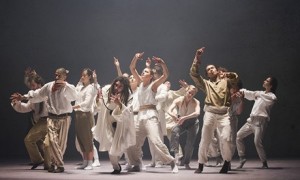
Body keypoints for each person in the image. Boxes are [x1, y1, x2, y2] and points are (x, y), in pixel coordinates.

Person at [13, 68, 78, 173]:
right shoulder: (49, 86)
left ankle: (53, 163)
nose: (57, 77)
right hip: (51, 118)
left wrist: (65, 85)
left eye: (59, 76)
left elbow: (74, 96)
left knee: (60, 144)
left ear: (64, 77)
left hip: (64, 118)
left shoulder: (69, 87)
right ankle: (59, 165)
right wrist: (23, 97)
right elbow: (37, 94)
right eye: (56, 75)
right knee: (52, 141)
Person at [126, 52, 178, 173]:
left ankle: (172, 162)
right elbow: (131, 68)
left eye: (146, 72)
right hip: (140, 116)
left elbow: (166, 75)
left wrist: (163, 63)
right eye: (143, 71)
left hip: (150, 116)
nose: (143, 72)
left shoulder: (153, 86)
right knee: (132, 143)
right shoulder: (139, 83)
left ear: (150, 76)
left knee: (156, 141)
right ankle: (136, 163)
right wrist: (136, 57)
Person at [190, 47, 239, 174]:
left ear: (217, 70)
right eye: (208, 70)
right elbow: (194, 74)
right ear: (207, 74)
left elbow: (235, 78)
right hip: (210, 113)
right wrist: (197, 58)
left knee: (226, 139)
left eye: (212, 68)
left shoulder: (226, 81)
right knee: (205, 139)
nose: (210, 70)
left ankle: (227, 162)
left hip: (224, 114)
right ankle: (201, 164)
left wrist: (226, 74)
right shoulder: (206, 84)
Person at [93, 76, 136, 174]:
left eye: (120, 86)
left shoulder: (128, 95)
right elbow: (100, 105)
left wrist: (120, 104)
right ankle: (116, 167)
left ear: (124, 87)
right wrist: (97, 99)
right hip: (108, 122)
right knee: (110, 146)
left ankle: (117, 164)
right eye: (116, 85)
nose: (117, 88)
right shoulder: (107, 90)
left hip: (121, 124)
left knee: (118, 148)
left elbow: (128, 112)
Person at [235, 76, 278, 169]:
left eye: (267, 81)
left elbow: (273, 99)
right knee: (238, 136)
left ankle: (264, 163)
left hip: (260, 122)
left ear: (270, 85)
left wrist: (258, 94)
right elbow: (250, 94)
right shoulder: (259, 93)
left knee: (257, 142)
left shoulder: (271, 96)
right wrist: (241, 91)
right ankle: (242, 158)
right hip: (251, 120)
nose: (264, 81)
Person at [10, 72, 50, 170]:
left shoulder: (44, 92)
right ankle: (45, 161)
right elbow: (27, 107)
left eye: (33, 85)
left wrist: (23, 97)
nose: (31, 87)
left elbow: (36, 95)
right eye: (31, 86)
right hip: (41, 121)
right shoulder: (34, 96)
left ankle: (45, 161)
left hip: (48, 120)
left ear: (39, 84)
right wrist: (17, 103)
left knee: (40, 142)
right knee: (44, 143)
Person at [168, 85, 200, 169]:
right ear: (186, 91)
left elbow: (197, 113)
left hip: (193, 122)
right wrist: (174, 116)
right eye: (189, 93)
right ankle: (176, 154)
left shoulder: (196, 102)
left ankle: (186, 162)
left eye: (193, 94)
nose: (190, 95)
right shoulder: (178, 100)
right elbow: (169, 110)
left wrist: (185, 117)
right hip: (182, 121)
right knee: (174, 131)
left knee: (189, 144)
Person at [73, 68, 99, 170]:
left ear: (89, 77)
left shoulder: (91, 88)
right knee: (81, 139)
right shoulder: (80, 87)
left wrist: (75, 106)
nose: (82, 77)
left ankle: (90, 162)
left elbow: (87, 102)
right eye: (81, 75)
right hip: (78, 115)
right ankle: (85, 161)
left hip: (86, 115)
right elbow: (74, 92)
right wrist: (80, 81)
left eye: (84, 75)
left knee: (87, 139)